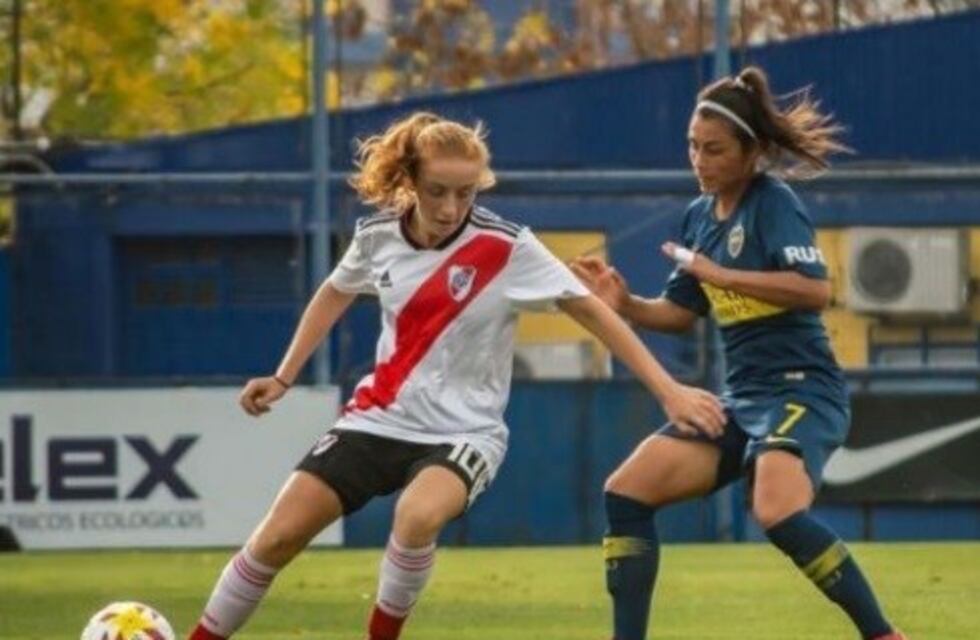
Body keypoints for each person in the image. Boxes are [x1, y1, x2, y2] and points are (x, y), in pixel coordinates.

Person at [187, 111, 725, 640]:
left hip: (464, 433)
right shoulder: (376, 237)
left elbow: (593, 311)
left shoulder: (507, 246)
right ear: (410, 181)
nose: (451, 208)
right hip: (377, 418)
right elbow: (334, 291)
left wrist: (668, 389)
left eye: (466, 193)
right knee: (275, 538)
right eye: (438, 191)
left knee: (416, 517)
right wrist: (284, 377)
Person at [571, 66, 906, 640]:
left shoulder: (773, 201)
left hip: (803, 390)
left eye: (714, 149)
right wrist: (625, 303)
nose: (699, 160)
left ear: (751, 152)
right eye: (692, 147)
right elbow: (678, 316)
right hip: (742, 398)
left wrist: (719, 272)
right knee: (625, 492)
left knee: (775, 512)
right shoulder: (699, 216)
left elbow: (814, 289)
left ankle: (883, 635)